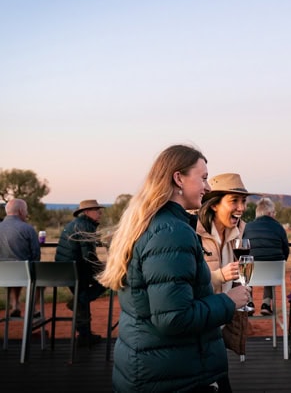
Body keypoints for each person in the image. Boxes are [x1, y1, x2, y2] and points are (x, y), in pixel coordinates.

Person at [97, 144, 249, 393]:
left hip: (154, 368)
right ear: (178, 178)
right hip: (176, 376)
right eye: (203, 178)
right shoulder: (172, 232)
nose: (208, 187)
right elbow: (174, 318)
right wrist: (229, 301)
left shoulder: (152, 223)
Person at [55, 199, 107, 346]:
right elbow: (88, 256)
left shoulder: (76, 224)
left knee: (82, 294)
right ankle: (77, 303)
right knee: (109, 279)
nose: (100, 213)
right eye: (96, 210)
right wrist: (104, 270)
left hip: (66, 270)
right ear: (86, 212)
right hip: (77, 270)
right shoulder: (85, 226)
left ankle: (84, 335)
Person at [196, 173, 256, 298]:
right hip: (203, 312)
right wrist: (220, 276)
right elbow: (186, 284)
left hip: (226, 311)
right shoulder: (193, 232)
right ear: (214, 205)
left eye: (243, 201)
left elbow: (239, 276)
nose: (241, 208)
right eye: (234, 200)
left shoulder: (238, 232)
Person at [244, 197, 290, 315]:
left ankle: (249, 302)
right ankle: (266, 304)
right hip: (274, 273)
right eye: (274, 213)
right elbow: (286, 251)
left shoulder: (247, 227)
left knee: (246, 263)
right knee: (271, 263)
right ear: (269, 213)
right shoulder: (279, 227)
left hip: (250, 273)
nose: (275, 215)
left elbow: (242, 251)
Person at [0, 198, 41, 317]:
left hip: (3, 274)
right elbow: (35, 255)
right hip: (23, 273)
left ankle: (15, 305)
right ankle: (32, 308)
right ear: (21, 211)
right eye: (26, 211)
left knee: (14, 273)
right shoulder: (27, 229)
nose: (27, 213)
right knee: (41, 278)